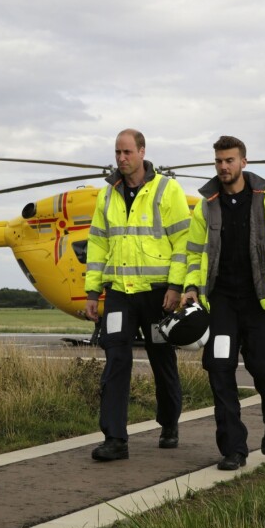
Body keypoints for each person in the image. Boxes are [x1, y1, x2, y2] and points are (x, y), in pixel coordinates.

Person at [181, 135, 265, 471]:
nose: (224, 167)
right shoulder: (206, 206)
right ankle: (234, 448)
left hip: (261, 302)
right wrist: (191, 286)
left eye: (229, 161)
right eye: (219, 162)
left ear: (243, 163)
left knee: (264, 370)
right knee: (219, 371)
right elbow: (194, 254)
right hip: (222, 304)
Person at [85, 128, 191, 461]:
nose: (121, 158)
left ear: (142, 152)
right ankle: (115, 438)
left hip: (158, 295)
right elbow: (98, 243)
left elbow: (183, 242)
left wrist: (175, 287)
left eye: (127, 152)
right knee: (116, 359)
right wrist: (92, 290)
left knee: (162, 360)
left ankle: (169, 422)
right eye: (117, 152)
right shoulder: (107, 195)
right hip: (119, 293)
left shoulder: (167, 190)